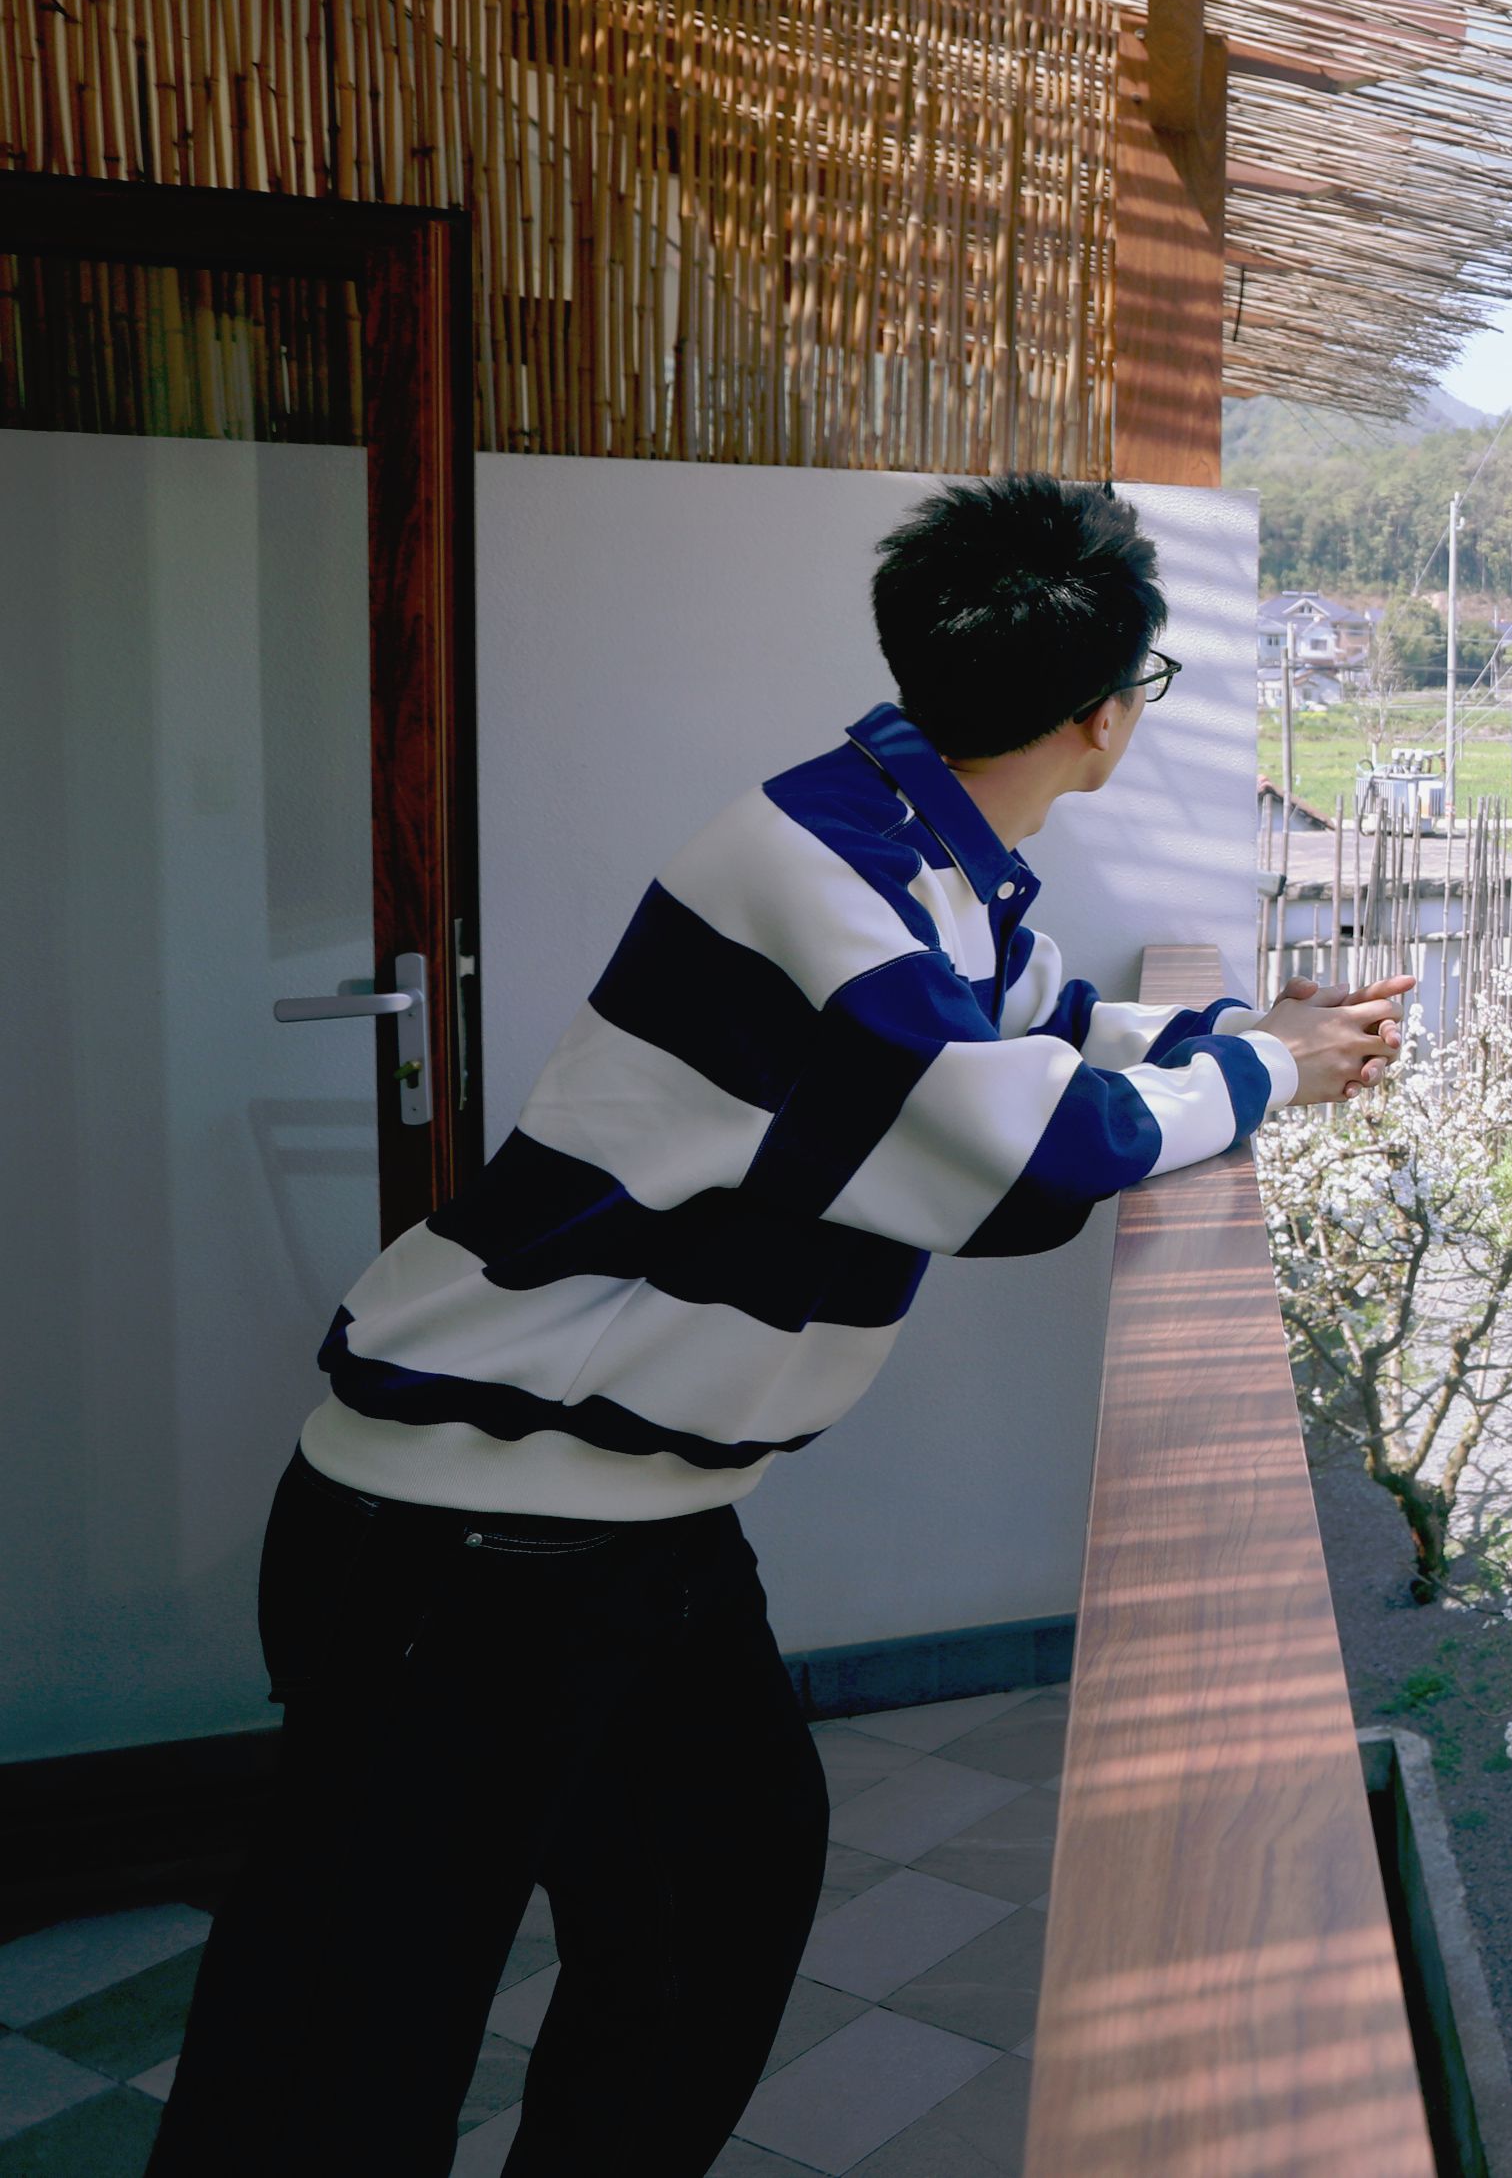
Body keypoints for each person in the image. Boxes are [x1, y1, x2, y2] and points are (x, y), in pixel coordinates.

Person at [149, 476, 1405, 2177]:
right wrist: (1267, 1071)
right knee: (343, 2053)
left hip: (626, 1524)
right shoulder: (826, 873)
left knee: (712, 1911)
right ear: (1105, 718)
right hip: (462, 1533)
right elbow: (1034, 1144)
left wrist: (1248, 1033)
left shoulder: (909, 826)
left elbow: (1042, 1029)